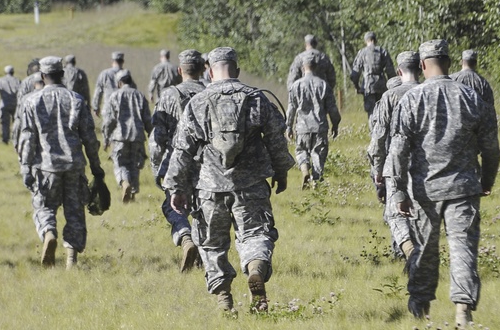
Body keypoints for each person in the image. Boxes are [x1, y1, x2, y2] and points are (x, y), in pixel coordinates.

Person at [164, 47, 295, 313]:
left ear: (210, 72)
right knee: (256, 234)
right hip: (251, 186)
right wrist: (281, 172)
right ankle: (255, 267)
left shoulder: (198, 102)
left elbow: (182, 150)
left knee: (212, 244)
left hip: (210, 188)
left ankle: (224, 298)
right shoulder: (257, 99)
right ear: (236, 69)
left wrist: (176, 187)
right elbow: (277, 140)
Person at [385, 39, 500, 326]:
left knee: (425, 249)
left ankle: (421, 308)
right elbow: (491, 148)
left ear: (423, 66)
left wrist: (398, 191)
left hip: (426, 190)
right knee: (463, 248)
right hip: (464, 187)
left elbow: (397, 150)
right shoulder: (472, 97)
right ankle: (463, 309)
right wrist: (487, 179)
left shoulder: (410, 99)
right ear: (449, 63)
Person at [17, 56, 105, 269]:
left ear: (42, 76)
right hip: (74, 165)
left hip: (46, 167)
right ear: (62, 74)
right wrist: (96, 167)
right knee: (75, 212)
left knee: (44, 207)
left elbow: (27, 138)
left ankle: (48, 233)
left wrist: (26, 168)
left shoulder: (31, 101)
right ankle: (71, 259)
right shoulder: (76, 99)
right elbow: (89, 138)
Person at [150, 49, 207, 271]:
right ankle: (204, 255)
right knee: (204, 208)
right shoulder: (210, 92)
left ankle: (185, 235)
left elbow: (157, 138)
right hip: (205, 163)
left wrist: (158, 169)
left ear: (179, 70)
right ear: (204, 68)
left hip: (176, 161)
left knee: (173, 204)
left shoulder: (168, 95)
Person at [367, 51, 420, 260]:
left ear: (399, 71)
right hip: (426, 164)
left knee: (394, 213)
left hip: (395, 162)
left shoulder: (391, 96)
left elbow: (379, 137)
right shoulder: (429, 91)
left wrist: (377, 169)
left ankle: (408, 250)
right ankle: (411, 252)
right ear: (421, 68)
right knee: (418, 211)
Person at [286, 51, 340, 188]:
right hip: (319, 126)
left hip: (302, 127)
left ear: (303, 68)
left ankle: (304, 169)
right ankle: (316, 181)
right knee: (318, 154)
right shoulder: (323, 85)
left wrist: (288, 126)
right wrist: (335, 123)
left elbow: (291, 109)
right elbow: (332, 108)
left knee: (301, 151)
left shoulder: (295, 86)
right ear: (315, 67)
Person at [102, 69, 153, 203]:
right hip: (137, 135)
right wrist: (151, 134)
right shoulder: (140, 95)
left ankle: (124, 183)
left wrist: (106, 138)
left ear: (119, 83)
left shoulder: (115, 96)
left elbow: (110, 121)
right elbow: (148, 119)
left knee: (120, 163)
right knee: (135, 164)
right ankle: (133, 195)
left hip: (120, 136)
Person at [350, 31, 396, 120]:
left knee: (371, 112)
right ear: (375, 40)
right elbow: (390, 71)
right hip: (382, 84)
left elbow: (355, 73)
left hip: (368, 86)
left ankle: (374, 131)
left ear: (366, 41)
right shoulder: (383, 51)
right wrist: (393, 86)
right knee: (383, 110)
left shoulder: (362, 53)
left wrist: (357, 86)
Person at [92, 52, 125, 121]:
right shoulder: (126, 74)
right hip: (123, 109)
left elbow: (98, 91)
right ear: (123, 61)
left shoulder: (105, 73)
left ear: (112, 61)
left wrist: (96, 107)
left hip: (108, 108)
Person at [0, 65, 20, 144]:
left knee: (5, 124)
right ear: (13, 72)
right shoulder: (17, 81)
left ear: (5, 72)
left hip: (4, 105)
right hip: (16, 105)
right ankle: (16, 139)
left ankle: (5, 140)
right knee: (17, 123)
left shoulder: (0, 81)